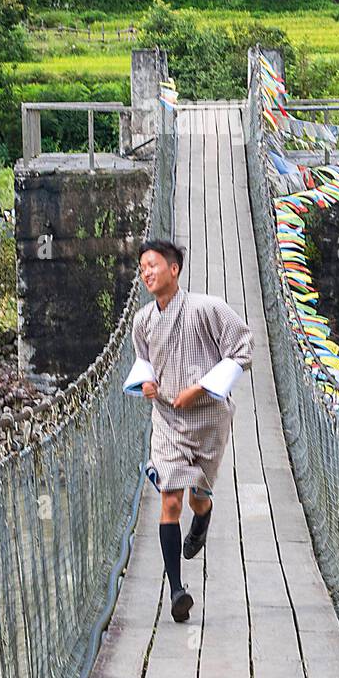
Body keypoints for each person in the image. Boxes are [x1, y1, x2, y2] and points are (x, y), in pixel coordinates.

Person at [124, 239, 253, 623]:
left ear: (174, 269)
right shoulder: (143, 321)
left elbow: (243, 347)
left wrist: (198, 388)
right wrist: (147, 385)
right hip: (167, 419)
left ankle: (205, 512)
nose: (146, 273)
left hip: (209, 418)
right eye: (142, 268)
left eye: (153, 265)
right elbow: (143, 363)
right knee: (170, 501)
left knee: (197, 499)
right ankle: (177, 591)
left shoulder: (207, 308)